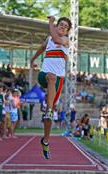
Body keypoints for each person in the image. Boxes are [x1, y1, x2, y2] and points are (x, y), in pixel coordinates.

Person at [31, 16, 72, 159]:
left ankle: (46, 140)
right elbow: (42, 47)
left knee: (49, 118)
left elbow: (56, 39)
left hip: (58, 81)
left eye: (65, 26)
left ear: (67, 30)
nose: (62, 27)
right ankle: (48, 110)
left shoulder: (66, 40)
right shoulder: (50, 38)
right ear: (56, 26)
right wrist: (32, 59)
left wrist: (51, 25)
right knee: (51, 77)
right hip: (45, 75)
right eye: (60, 24)